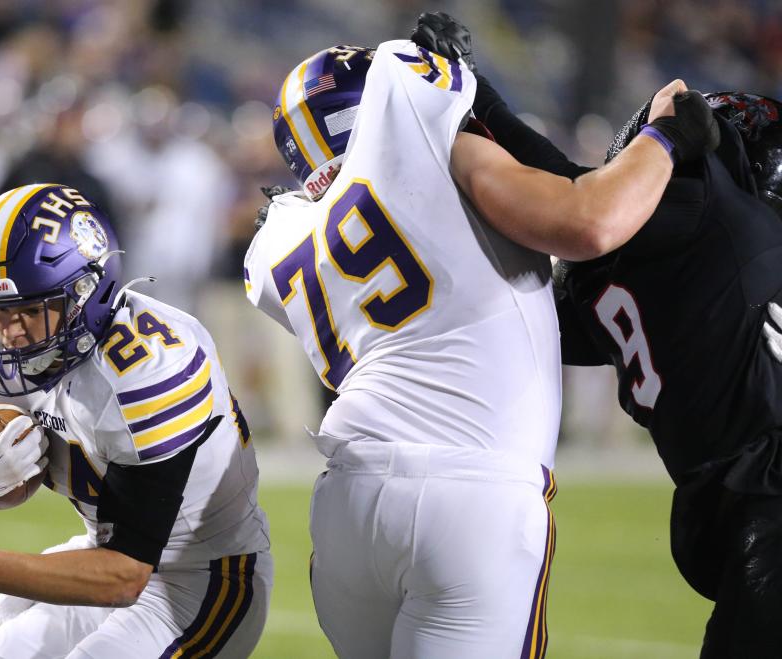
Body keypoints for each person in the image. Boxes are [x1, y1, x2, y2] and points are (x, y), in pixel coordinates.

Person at [243, 23, 717, 659]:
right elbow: (590, 220)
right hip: (471, 490)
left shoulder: (276, 243)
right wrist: (667, 136)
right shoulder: (422, 140)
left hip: (347, 498)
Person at [417, 12, 782, 658]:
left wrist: (474, 96)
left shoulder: (661, 241)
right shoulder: (709, 237)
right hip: (748, 501)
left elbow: (571, 191)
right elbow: (578, 190)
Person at [0, 183, 272, 659]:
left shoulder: (148, 368)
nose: (10, 332)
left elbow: (128, 575)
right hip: (102, 555)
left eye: (29, 309)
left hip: (202, 577)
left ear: (86, 294)